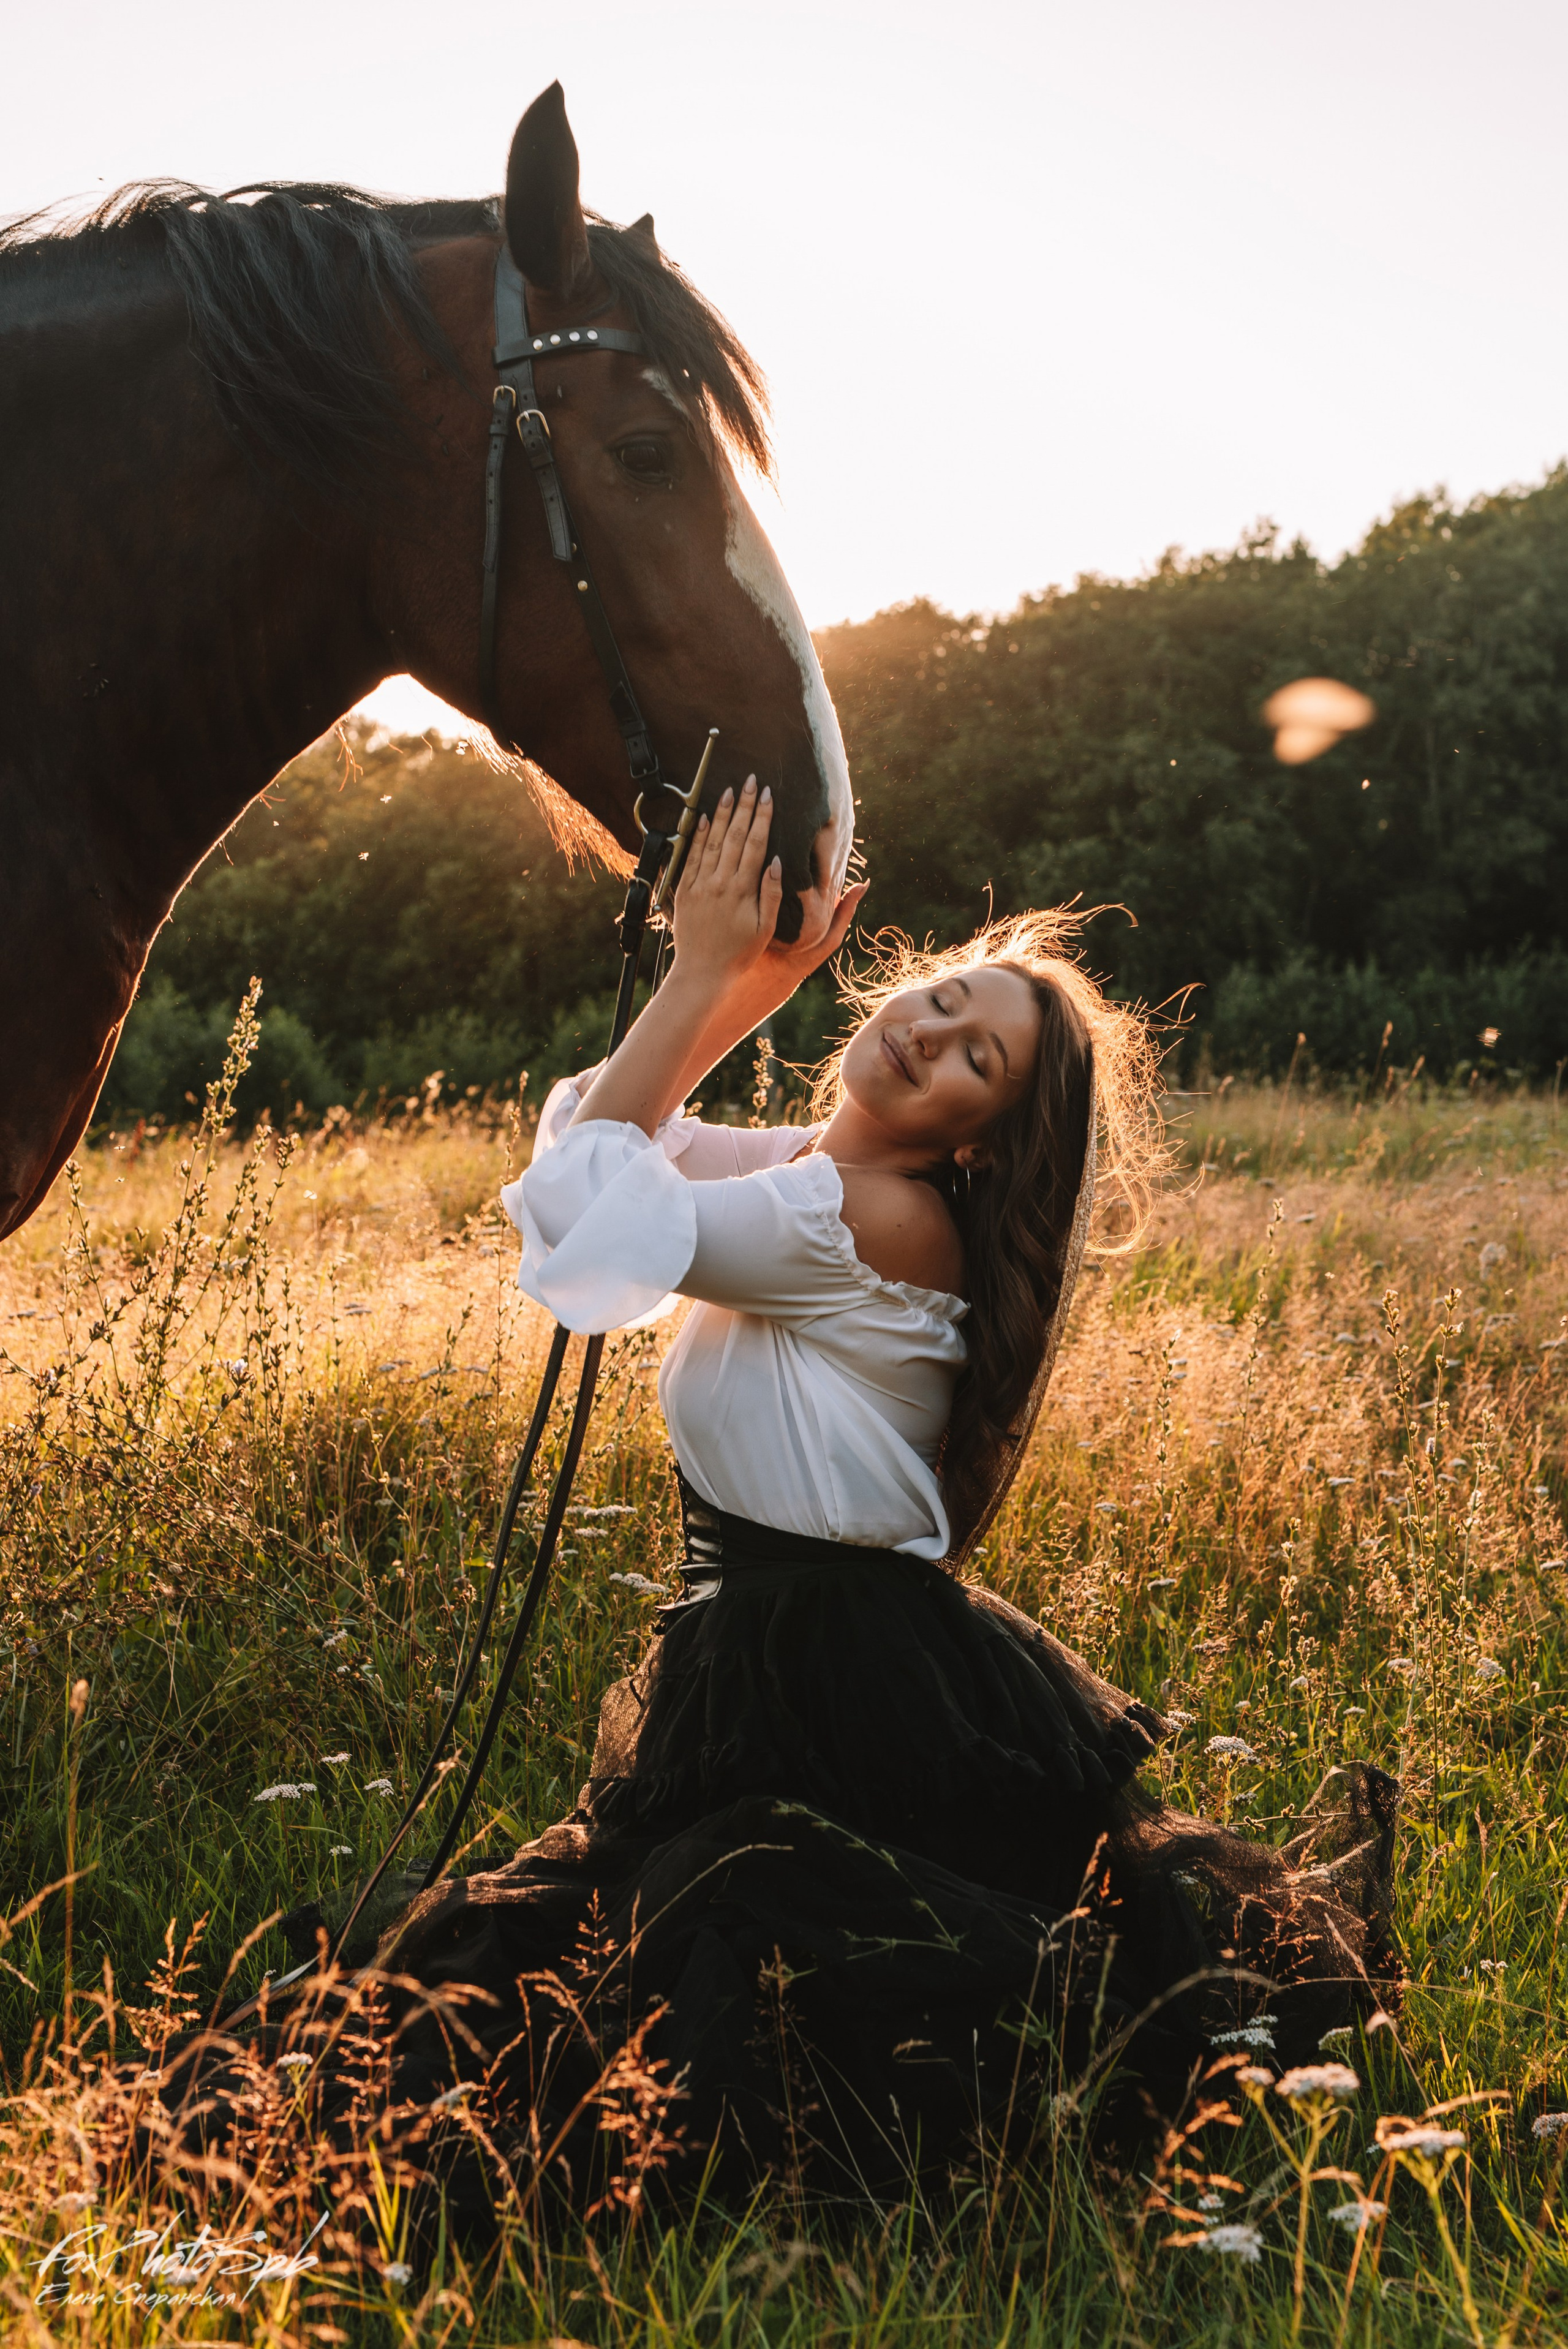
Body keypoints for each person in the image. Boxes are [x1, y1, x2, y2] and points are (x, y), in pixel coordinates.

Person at [197, 781, 1394, 2226]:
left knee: (738, 1950)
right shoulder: (826, 1172)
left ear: (977, 1139)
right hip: (804, 1646)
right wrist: (746, 990)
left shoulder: (868, 1217)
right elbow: (595, 1146)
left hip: (830, 1666)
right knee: (647, 1944)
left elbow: (605, 1209)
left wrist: (707, 976)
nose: (928, 1037)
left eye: (974, 1062)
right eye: (940, 1000)